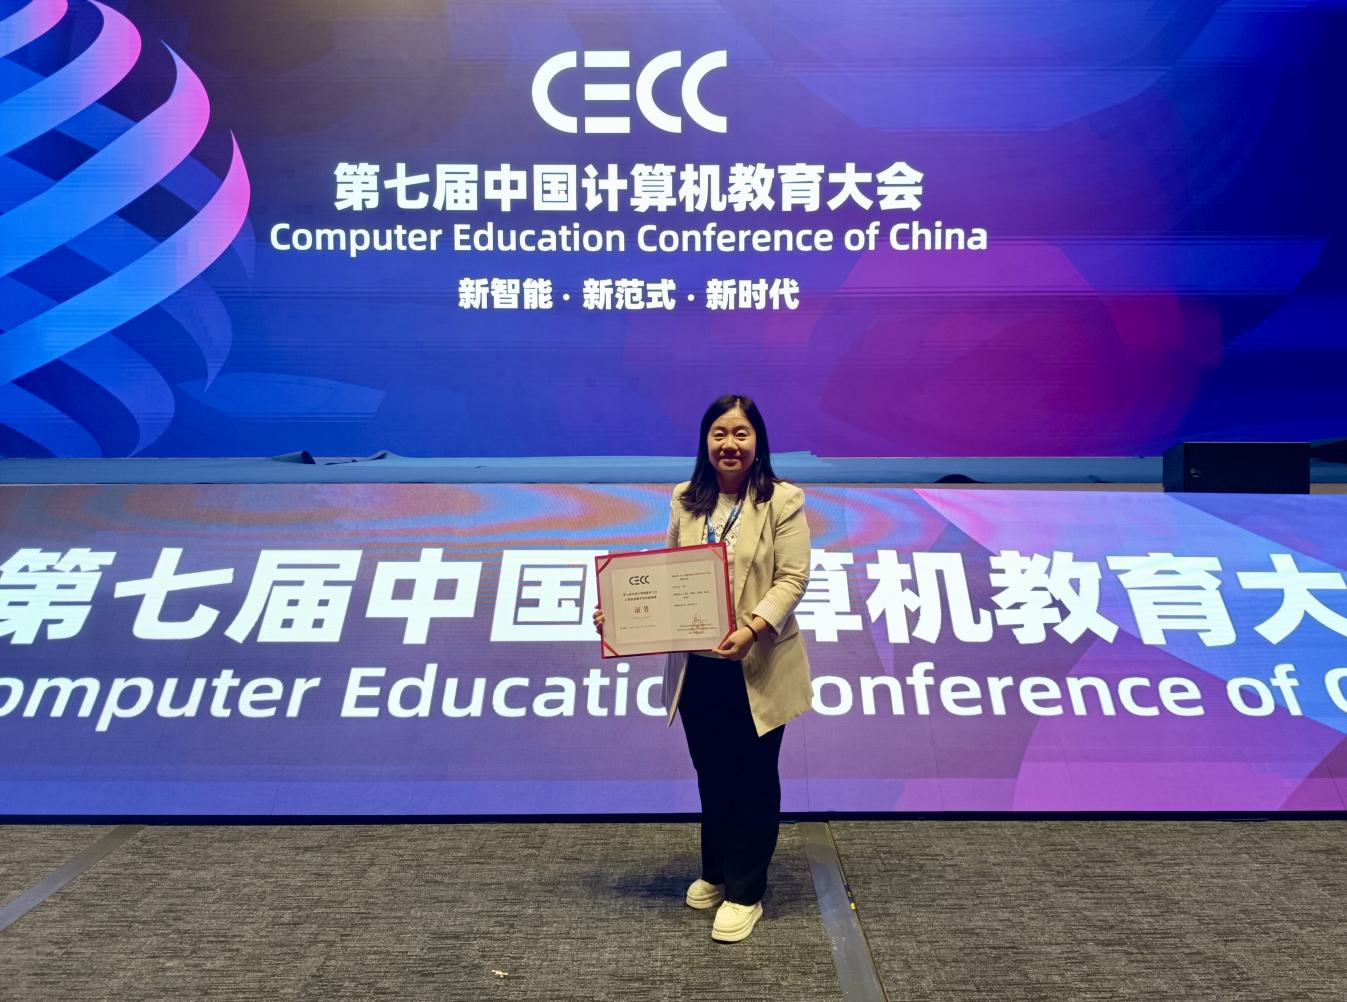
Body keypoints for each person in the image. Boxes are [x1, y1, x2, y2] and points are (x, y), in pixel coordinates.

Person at [594, 394, 812, 943]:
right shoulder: (685, 499)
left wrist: (753, 629)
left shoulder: (783, 500)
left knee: (754, 778)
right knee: (711, 773)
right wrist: (620, 614)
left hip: (755, 663)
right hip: (698, 668)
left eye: (741, 433)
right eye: (719, 433)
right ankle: (716, 870)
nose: (729, 444)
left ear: (757, 441)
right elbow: (665, 575)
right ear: (705, 441)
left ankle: (747, 891)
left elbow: (792, 579)